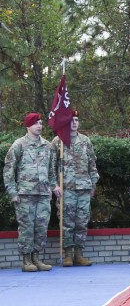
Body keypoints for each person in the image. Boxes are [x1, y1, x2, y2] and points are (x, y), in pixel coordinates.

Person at [3, 113, 57, 272]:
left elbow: (51, 170)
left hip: (43, 194)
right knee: (27, 227)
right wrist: (12, 192)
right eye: (35, 123)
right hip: (25, 195)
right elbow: (8, 170)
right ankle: (26, 260)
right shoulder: (19, 145)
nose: (39, 126)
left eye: (40, 123)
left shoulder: (47, 146)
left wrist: (53, 187)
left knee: (41, 227)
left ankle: (36, 258)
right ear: (28, 126)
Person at [52, 110, 99, 267]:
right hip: (67, 190)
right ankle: (67, 255)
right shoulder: (58, 142)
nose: (74, 122)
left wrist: (93, 183)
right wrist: (55, 185)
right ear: (67, 122)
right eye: (72, 120)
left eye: (77, 120)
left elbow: (92, 164)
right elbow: (51, 167)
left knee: (82, 222)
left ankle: (79, 254)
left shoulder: (85, 141)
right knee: (67, 222)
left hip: (84, 188)